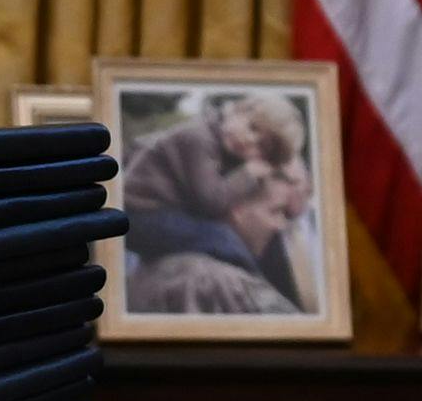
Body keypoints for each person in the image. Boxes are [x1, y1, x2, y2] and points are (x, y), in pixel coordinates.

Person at [121, 92, 314, 316]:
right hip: (141, 214)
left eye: (261, 147)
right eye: (252, 127)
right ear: (238, 110)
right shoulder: (198, 138)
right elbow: (211, 201)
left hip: (151, 215)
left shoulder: (217, 143)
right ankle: (253, 280)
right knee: (222, 239)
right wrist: (248, 174)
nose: (249, 141)